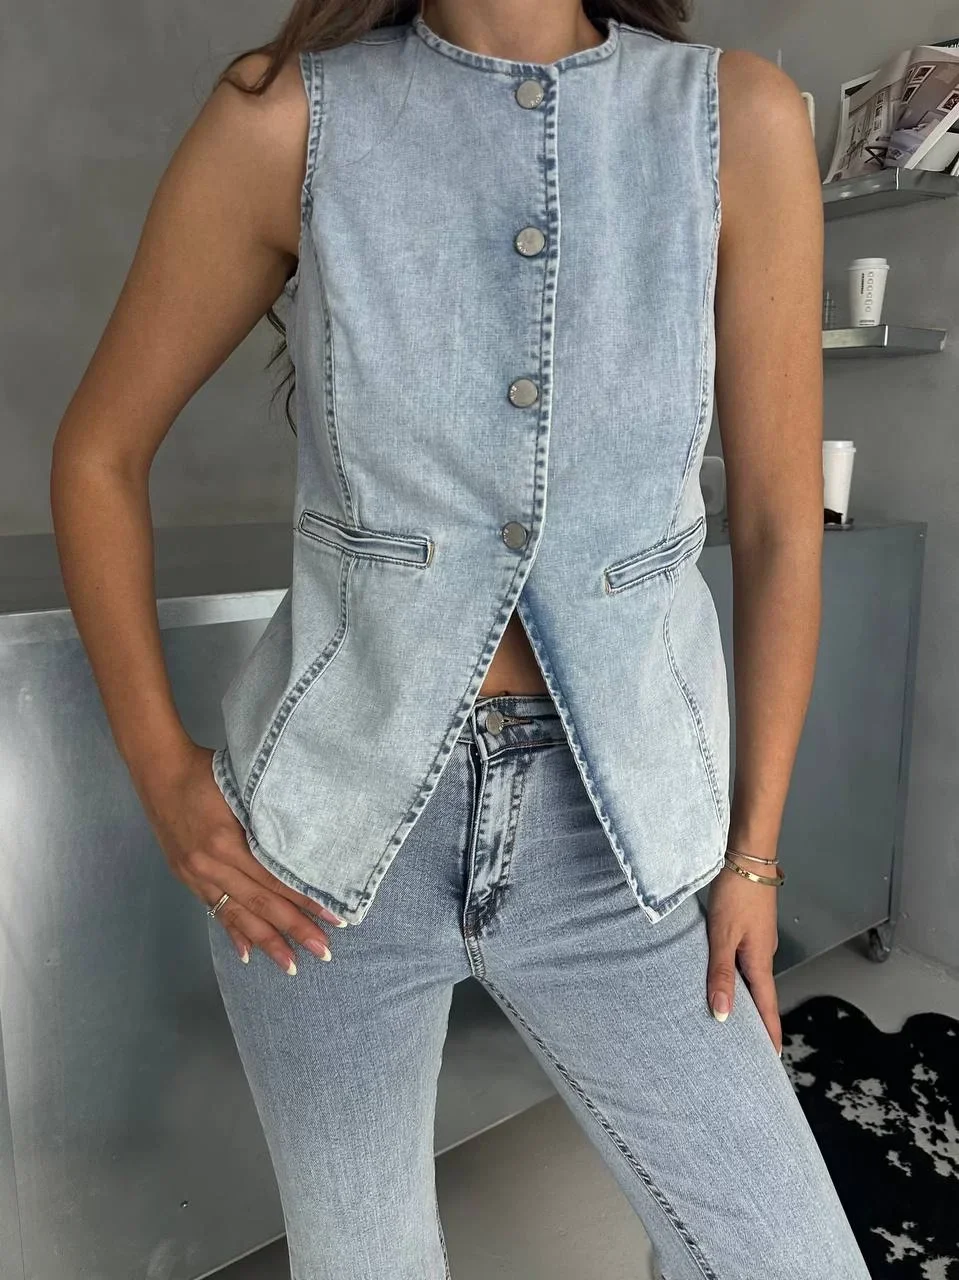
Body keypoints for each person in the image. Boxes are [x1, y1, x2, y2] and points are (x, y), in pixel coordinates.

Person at [50, 1, 872, 1276]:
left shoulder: (732, 118)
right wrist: (165, 777)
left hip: (619, 841)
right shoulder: (286, 118)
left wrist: (753, 852)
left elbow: (776, 522)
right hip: (326, 843)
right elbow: (98, 453)